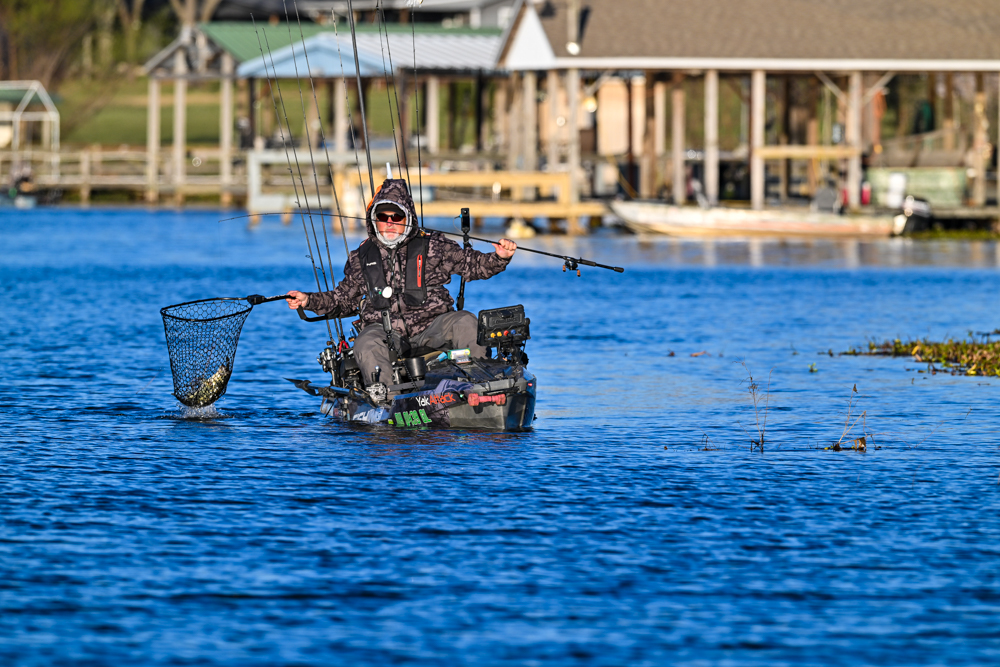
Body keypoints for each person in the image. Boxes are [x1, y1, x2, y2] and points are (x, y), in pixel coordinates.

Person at [285, 178, 516, 393]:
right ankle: (385, 398)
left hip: (433, 325)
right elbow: (342, 299)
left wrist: (500, 257)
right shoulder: (360, 256)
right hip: (384, 332)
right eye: (383, 216)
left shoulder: (434, 245)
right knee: (367, 341)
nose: (389, 223)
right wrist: (309, 300)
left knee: (466, 321)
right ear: (374, 219)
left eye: (396, 217)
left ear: (408, 218)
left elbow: (473, 265)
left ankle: (481, 387)